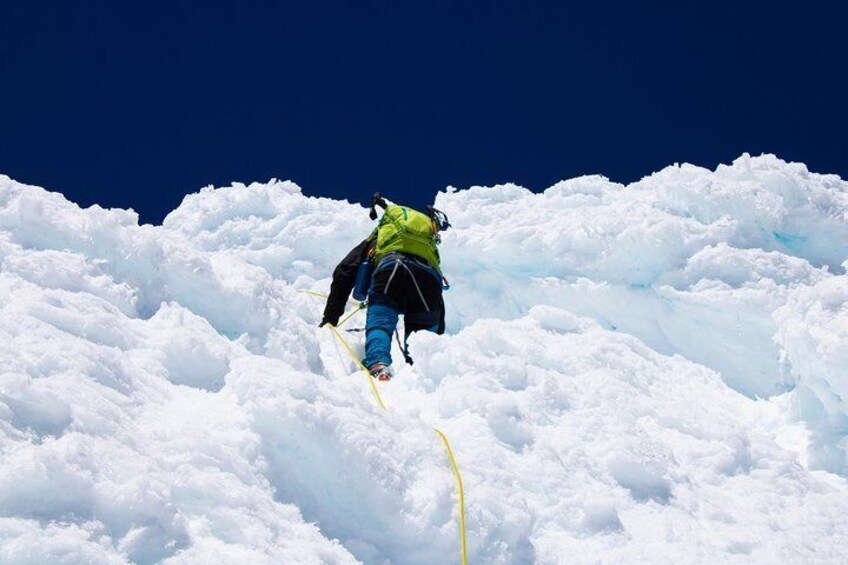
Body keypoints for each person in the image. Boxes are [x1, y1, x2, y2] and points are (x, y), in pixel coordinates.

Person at [321, 194, 449, 381]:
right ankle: (424, 378)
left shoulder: (381, 236)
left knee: (380, 321)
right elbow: (438, 308)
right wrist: (439, 330)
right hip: (429, 278)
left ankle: (379, 365)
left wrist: (330, 319)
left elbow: (344, 271)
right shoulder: (426, 245)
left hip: (392, 269)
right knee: (424, 339)